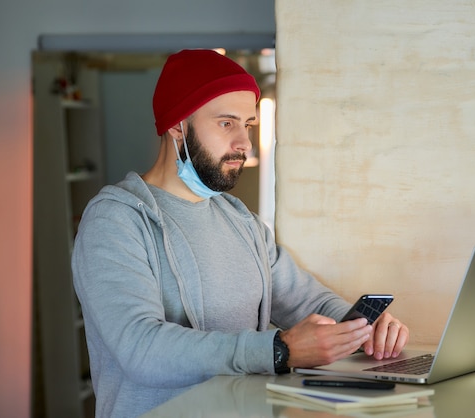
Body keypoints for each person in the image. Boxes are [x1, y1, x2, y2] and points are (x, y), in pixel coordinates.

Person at [72, 49, 409, 418]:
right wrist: (279, 351)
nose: (245, 144)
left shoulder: (240, 220)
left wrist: (363, 326)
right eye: (226, 123)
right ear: (177, 124)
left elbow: (304, 301)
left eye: (247, 124)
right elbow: (141, 348)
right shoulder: (115, 220)